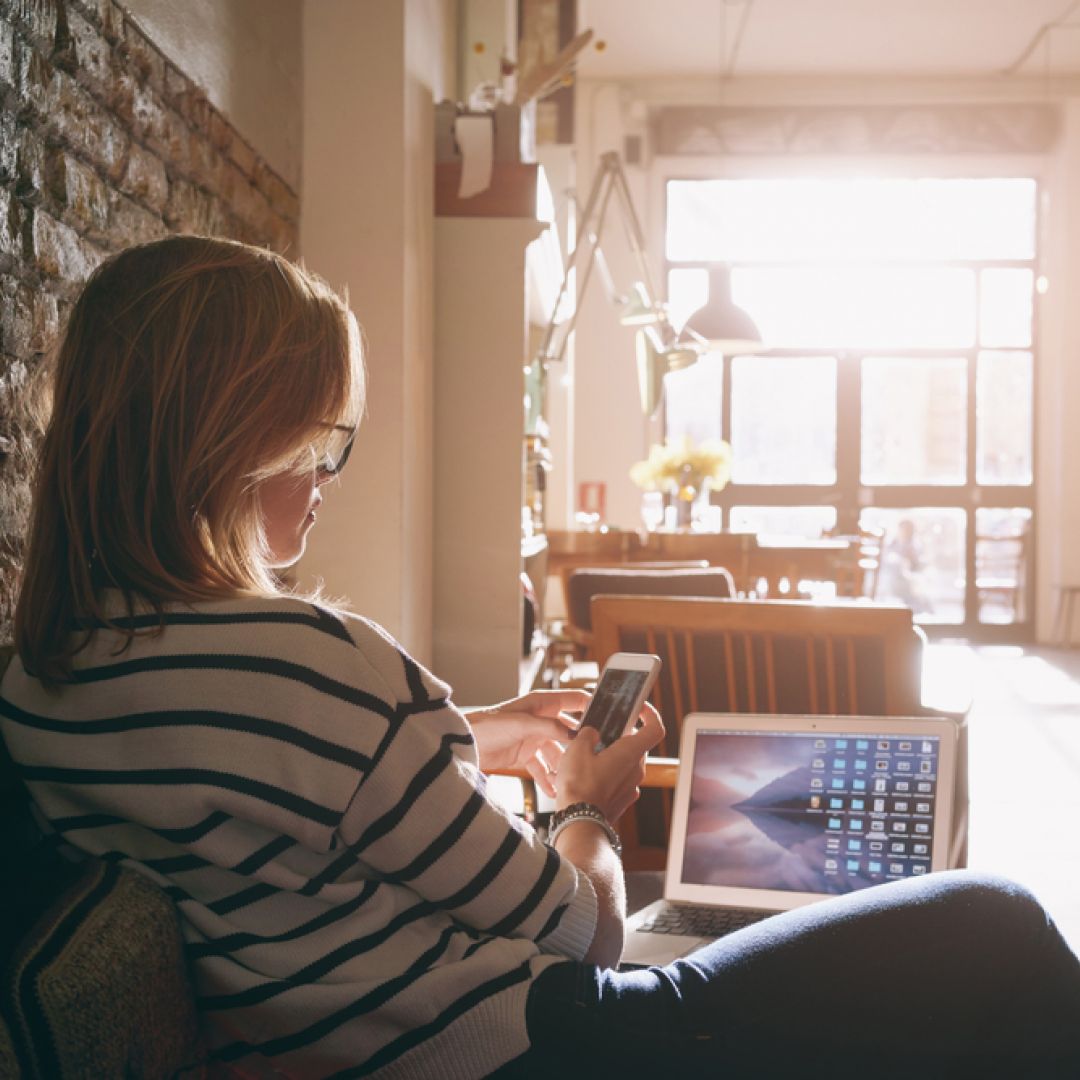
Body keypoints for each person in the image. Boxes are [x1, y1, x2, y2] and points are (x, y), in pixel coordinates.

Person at [1, 236, 1078, 1079]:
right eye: (319, 439)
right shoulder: (310, 661)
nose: (330, 475)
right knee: (1001, 923)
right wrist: (587, 807)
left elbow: (247, 791)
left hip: (345, 1045)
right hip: (529, 1050)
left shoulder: (48, 677)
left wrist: (460, 733)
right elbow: (583, 930)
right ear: (231, 440)